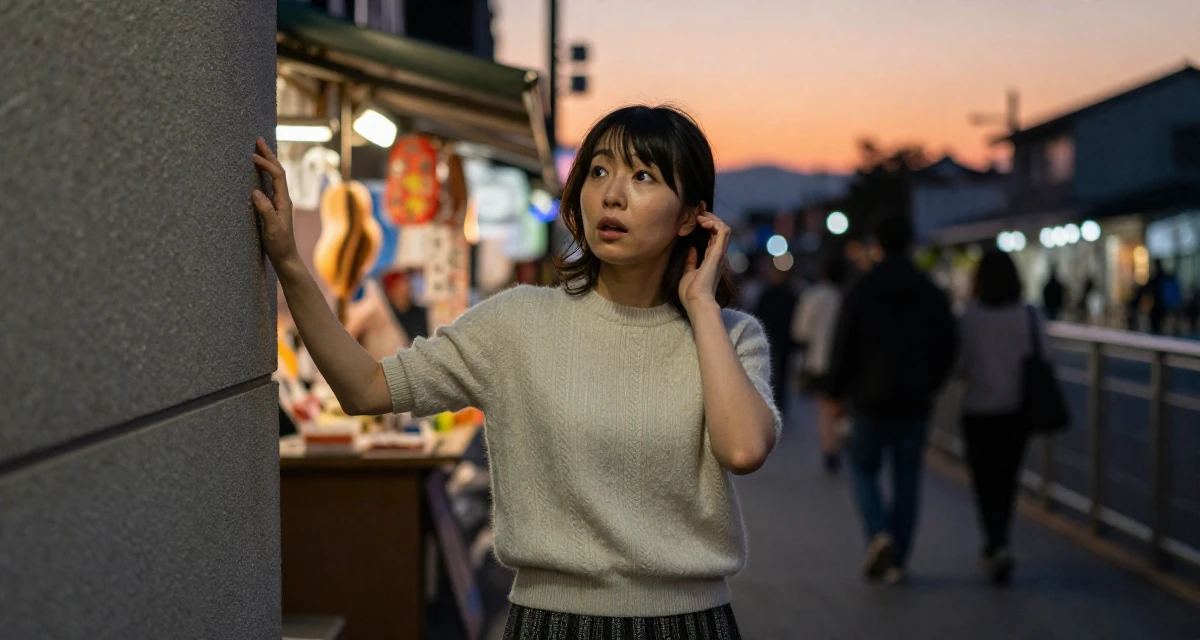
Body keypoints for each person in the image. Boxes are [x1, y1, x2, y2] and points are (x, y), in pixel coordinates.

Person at [250, 105, 781, 638]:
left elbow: (743, 450)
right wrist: (290, 263)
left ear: (691, 217)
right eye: (599, 171)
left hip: (690, 626)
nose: (612, 195)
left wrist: (702, 306)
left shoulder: (730, 337)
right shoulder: (519, 322)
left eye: (642, 176)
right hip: (551, 624)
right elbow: (365, 388)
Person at [825, 213, 957, 585]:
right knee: (907, 479)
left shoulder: (862, 288)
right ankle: (898, 560)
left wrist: (836, 390)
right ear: (911, 242)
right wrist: (931, 383)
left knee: (862, 467)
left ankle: (878, 533)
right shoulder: (929, 290)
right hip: (915, 399)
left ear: (876, 244)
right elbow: (948, 344)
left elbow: (844, 344)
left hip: (869, 399)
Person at [954, 249, 1045, 585]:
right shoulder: (1029, 315)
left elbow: (959, 365)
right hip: (1017, 410)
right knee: (1008, 478)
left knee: (983, 479)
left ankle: (993, 542)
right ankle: (1001, 540)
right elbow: (1045, 355)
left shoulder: (970, 317)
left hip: (978, 409)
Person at [792, 254, 850, 473]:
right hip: (848, 361)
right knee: (841, 404)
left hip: (818, 360)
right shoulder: (849, 296)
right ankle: (843, 432)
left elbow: (800, 332)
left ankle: (830, 448)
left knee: (824, 406)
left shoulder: (812, 296)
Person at [753, 262, 799, 421]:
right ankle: (778, 406)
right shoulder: (791, 294)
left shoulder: (768, 294)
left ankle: (772, 405)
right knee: (780, 375)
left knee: (771, 373)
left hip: (771, 339)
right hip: (782, 340)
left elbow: (758, 316)